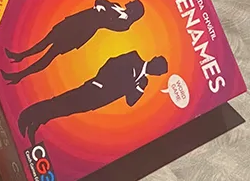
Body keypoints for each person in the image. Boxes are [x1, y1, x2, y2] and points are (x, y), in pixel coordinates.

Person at [16, 51, 168, 143]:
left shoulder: (143, 81)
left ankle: (35, 124)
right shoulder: (133, 58)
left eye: (159, 72)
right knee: (61, 102)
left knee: (65, 111)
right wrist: (100, 81)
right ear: (154, 59)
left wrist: (140, 87)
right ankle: (26, 116)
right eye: (158, 67)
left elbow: (130, 101)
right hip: (94, 88)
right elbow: (111, 63)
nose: (156, 71)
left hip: (98, 101)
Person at [2, 0, 145, 84]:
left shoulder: (124, 25)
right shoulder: (117, 5)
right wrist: (100, 6)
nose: (131, 1)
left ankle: (19, 75)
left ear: (134, 11)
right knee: (46, 40)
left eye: (133, 3)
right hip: (77, 20)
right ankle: (20, 56)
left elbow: (105, 21)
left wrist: (102, 10)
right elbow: (100, 0)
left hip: (81, 32)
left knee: (50, 54)